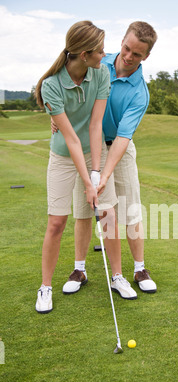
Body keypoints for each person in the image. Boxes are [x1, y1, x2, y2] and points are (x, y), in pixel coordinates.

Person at [62, 21, 158, 299]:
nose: (128, 57)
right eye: (127, 48)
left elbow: (122, 139)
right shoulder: (95, 59)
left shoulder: (140, 91)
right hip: (87, 147)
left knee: (130, 210)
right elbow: (63, 86)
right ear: (122, 42)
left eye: (137, 54)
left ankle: (139, 270)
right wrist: (55, 117)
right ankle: (79, 269)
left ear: (146, 57)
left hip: (119, 147)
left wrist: (104, 175)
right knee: (83, 210)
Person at [34, 20, 118, 313]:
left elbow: (96, 125)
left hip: (92, 152)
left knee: (106, 210)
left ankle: (114, 275)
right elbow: (69, 138)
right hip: (62, 157)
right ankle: (45, 287)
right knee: (57, 222)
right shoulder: (51, 85)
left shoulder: (102, 72)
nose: (105, 55)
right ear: (84, 54)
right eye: (100, 51)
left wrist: (96, 173)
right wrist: (86, 182)